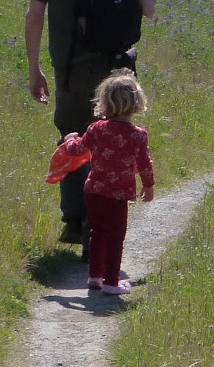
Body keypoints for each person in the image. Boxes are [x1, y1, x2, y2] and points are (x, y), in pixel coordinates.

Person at [22, 0, 156, 245]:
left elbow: (35, 16)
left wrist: (34, 71)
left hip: (70, 68)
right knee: (111, 143)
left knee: (73, 139)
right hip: (116, 71)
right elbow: (149, 6)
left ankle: (74, 221)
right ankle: (101, 225)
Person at [56, 71, 155, 294]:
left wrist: (67, 140)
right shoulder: (138, 135)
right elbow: (144, 164)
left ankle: (94, 276)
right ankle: (111, 282)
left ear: (104, 101)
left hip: (94, 191)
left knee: (97, 233)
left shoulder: (97, 129)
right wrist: (148, 185)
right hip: (118, 194)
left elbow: (78, 148)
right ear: (137, 103)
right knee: (115, 237)